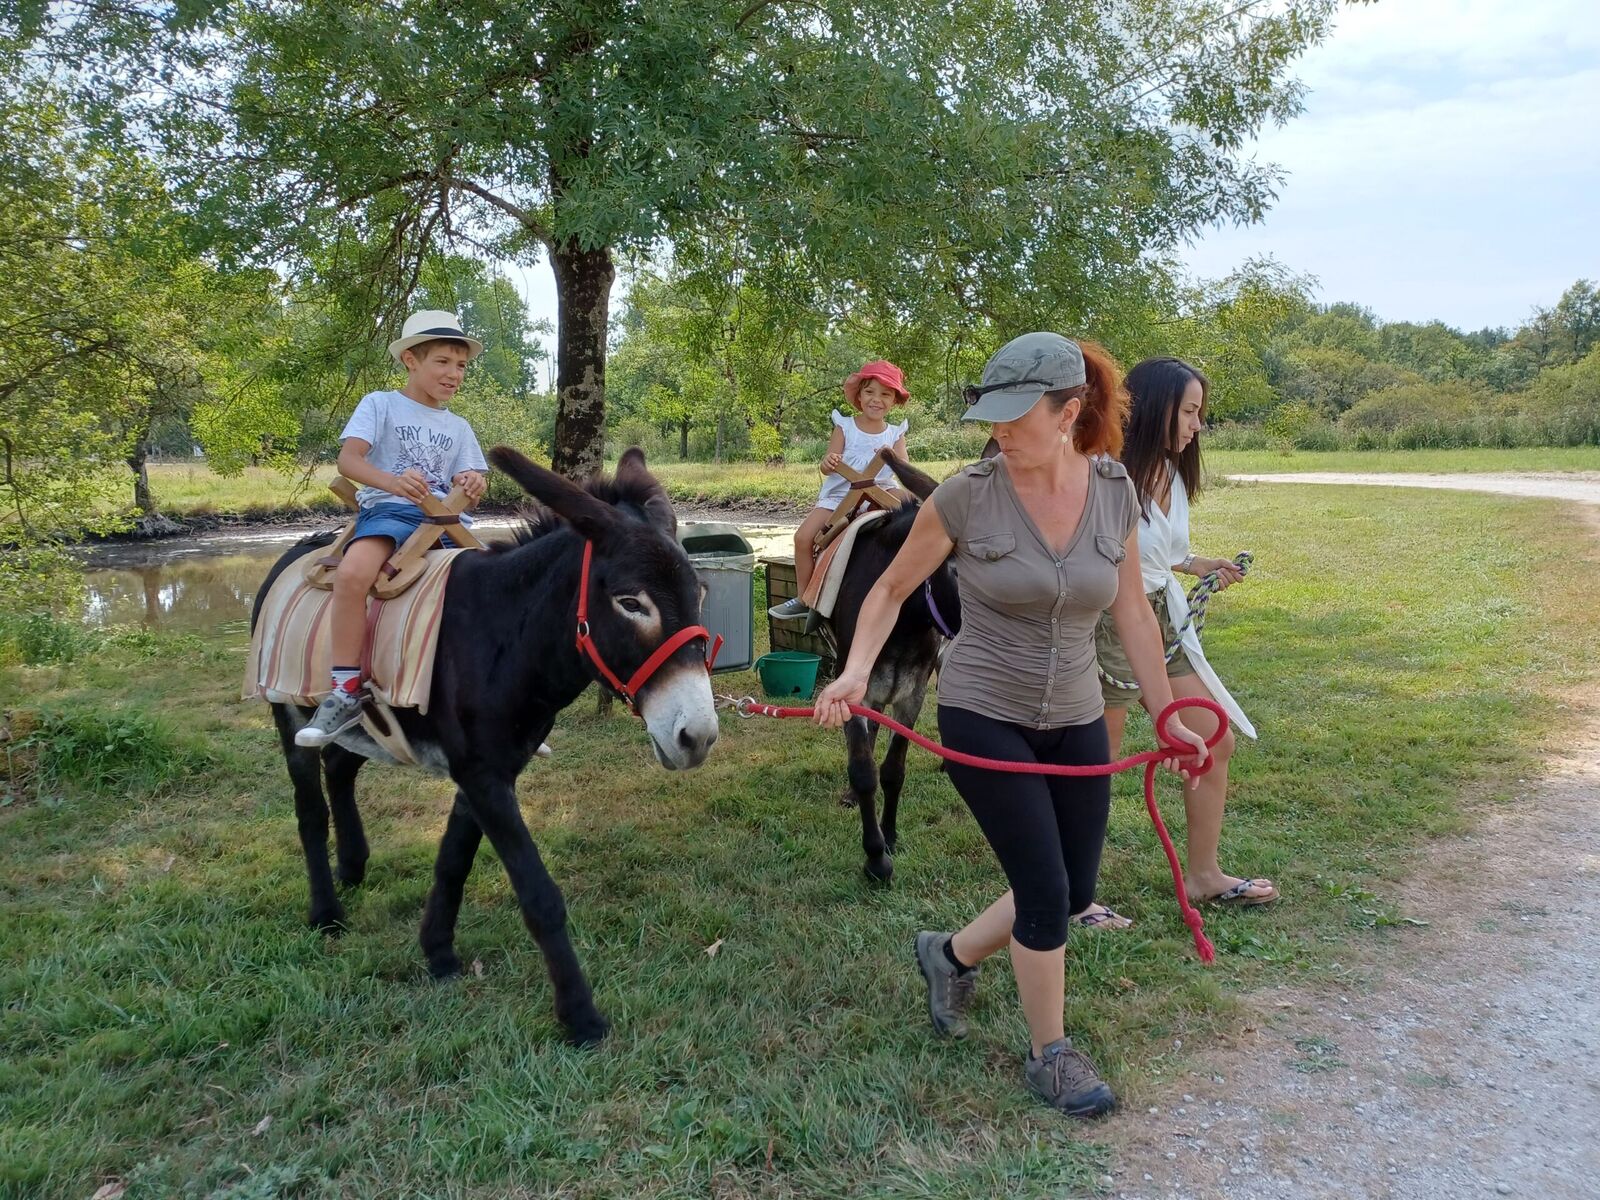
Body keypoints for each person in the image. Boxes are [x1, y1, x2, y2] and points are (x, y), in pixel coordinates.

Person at [813, 332, 1208, 1118]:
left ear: (1069, 413)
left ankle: (949, 954)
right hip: (981, 711)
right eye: (989, 417)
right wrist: (856, 671)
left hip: (1075, 715)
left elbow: (1131, 611)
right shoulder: (966, 494)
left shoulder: (1113, 492)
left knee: (1072, 890)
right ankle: (1050, 1055)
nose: (997, 432)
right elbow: (890, 590)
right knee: (1042, 887)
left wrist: (1167, 712)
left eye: (1014, 417)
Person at [1084, 356, 1276, 918]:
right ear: (1154, 408)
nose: (1197, 426)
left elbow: (1158, 553)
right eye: (1189, 412)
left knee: (1212, 740)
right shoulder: (1101, 469)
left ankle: (1204, 875)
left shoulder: (1167, 473)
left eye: (1199, 413)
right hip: (1106, 625)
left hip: (1159, 620)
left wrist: (1197, 563)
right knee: (1101, 762)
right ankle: (1074, 897)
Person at [294, 310, 489, 748]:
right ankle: (345, 691)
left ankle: (492, 700)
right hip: (391, 514)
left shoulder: (458, 426)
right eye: (442, 362)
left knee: (495, 587)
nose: (453, 374)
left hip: (448, 522)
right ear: (410, 360)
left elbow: (472, 481)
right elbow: (349, 461)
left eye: (460, 365)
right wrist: (391, 482)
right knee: (352, 574)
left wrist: (473, 483)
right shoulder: (380, 404)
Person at [768, 360, 910, 620]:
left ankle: (919, 580)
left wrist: (891, 459)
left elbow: (905, 469)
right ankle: (803, 597)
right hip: (842, 496)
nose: (876, 400)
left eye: (885, 394)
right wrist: (828, 463)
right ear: (859, 395)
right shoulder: (845, 426)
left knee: (918, 507)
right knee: (802, 538)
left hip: (882, 489)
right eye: (870, 392)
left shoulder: (894, 433)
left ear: (894, 401)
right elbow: (828, 465)